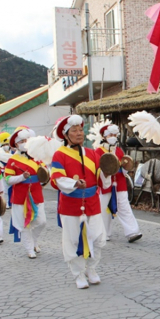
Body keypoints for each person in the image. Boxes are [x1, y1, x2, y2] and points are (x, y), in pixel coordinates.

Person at [50, 115, 110, 289]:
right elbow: (57, 178)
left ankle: (91, 268)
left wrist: (108, 172)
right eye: (74, 130)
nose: (79, 133)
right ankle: (78, 273)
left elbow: (102, 178)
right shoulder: (59, 155)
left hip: (92, 202)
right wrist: (74, 183)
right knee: (73, 239)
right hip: (70, 204)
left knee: (98, 237)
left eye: (80, 130)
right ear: (66, 135)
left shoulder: (92, 153)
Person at [5, 127, 47, 259]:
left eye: (26, 140)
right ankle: (29, 248)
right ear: (16, 144)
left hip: (36, 194)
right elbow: (8, 180)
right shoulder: (12, 160)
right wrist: (21, 177)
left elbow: (45, 173)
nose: (25, 142)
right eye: (22, 141)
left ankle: (34, 240)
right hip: (21, 196)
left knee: (42, 221)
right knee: (25, 224)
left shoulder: (37, 158)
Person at [95, 124, 142, 243]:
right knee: (102, 209)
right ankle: (103, 233)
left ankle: (133, 232)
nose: (113, 137)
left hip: (119, 184)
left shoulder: (119, 151)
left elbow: (124, 168)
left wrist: (126, 166)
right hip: (104, 185)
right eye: (111, 135)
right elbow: (97, 168)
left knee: (124, 207)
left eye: (115, 135)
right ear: (104, 136)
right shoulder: (98, 151)